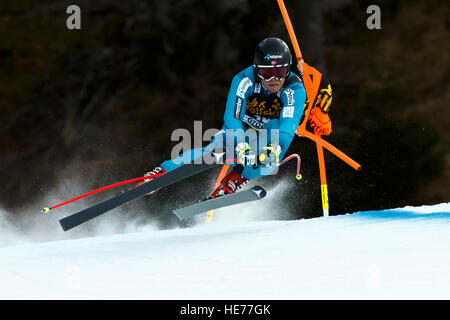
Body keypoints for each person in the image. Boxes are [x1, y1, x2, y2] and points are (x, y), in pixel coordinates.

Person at [141, 37, 333, 199]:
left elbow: (287, 127)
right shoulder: (244, 80)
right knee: (213, 150)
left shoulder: (295, 89)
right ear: (257, 69)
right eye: (267, 72)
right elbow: (232, 118)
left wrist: (275, 148)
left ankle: (235, 179)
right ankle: (162, 173)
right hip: (240, 129)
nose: (274, 78)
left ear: (288, 70)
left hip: (269, 133)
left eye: (280, 72)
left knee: (269, 161)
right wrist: (241, 143)